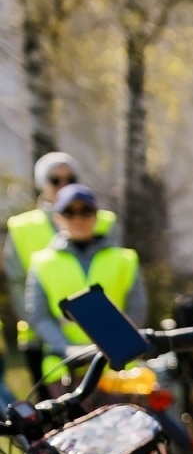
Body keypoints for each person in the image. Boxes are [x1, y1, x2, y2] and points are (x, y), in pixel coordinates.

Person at [4, 152, 118, 383]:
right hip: (42, 337)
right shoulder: (22, 226)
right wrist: (44, 324)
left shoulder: (104, 220)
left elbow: (118, 273)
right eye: (55, 180)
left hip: (100, 337)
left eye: (70, 179)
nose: (63, 185)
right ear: (41, 183)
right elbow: (16, 282)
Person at [24, 183, 146, 386]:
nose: (78, 218)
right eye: (69, 212)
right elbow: (39, 314)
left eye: (85, 211)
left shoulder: (125, 258)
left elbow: (137, 307)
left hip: (119, 367)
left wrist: (116, 344)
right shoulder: (42, 261)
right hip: (65, 366)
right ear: (57, 218)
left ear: (96, 216)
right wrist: (66, 347)